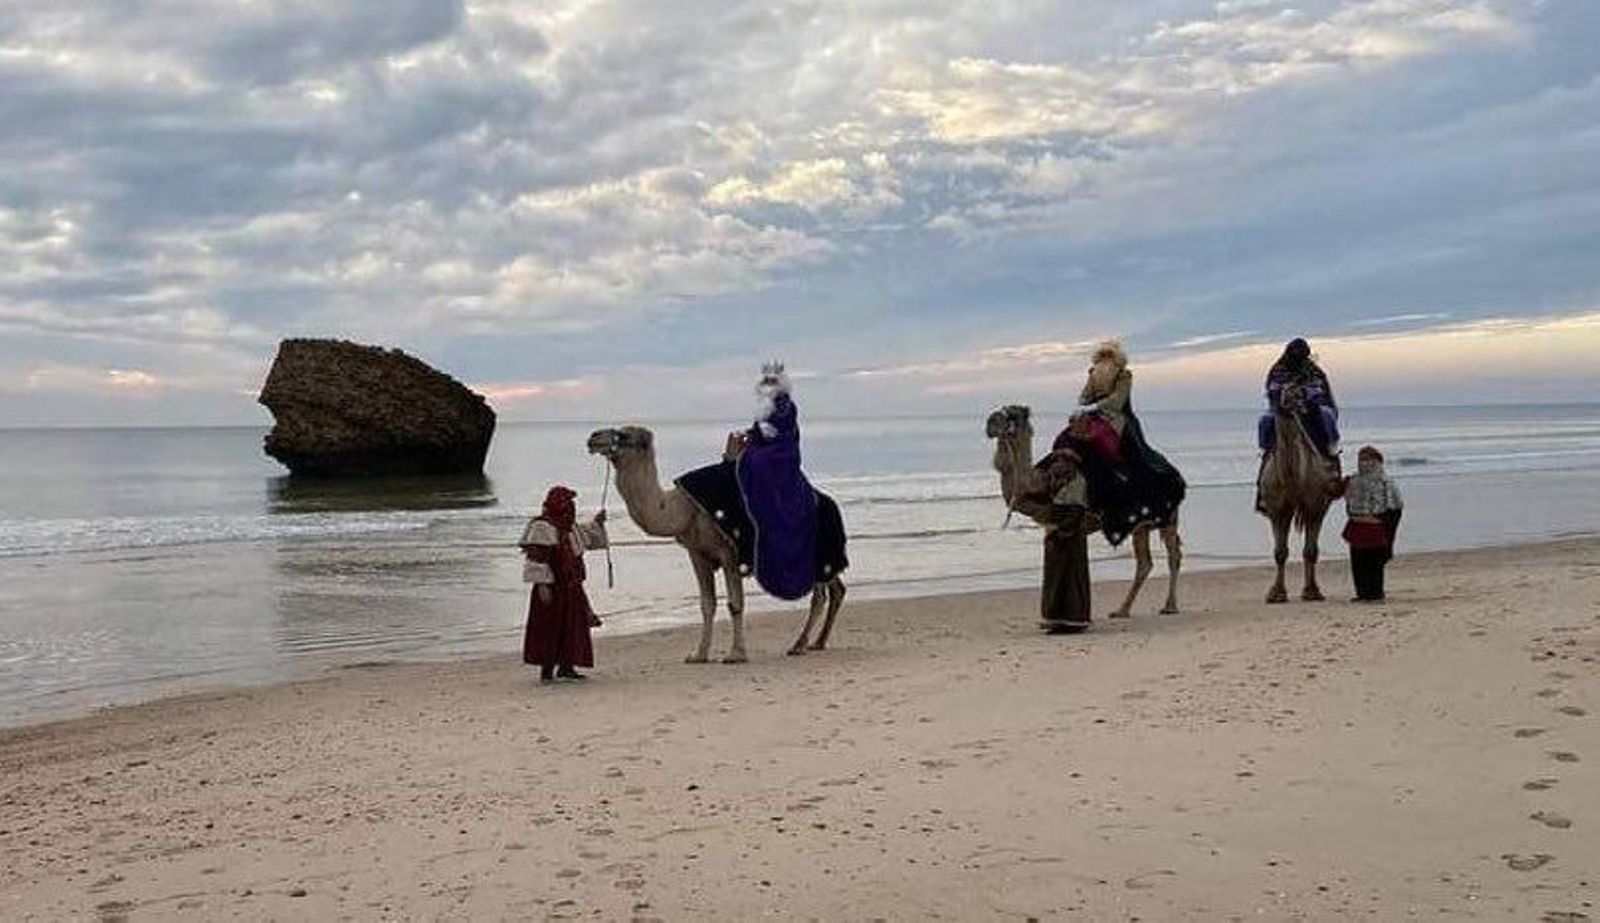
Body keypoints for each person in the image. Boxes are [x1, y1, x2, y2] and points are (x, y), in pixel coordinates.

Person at [1067, 339, 1187, 547]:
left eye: (1109, 356)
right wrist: (1082, 407)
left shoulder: (1124, 375)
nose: (1105, 359)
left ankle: (1142, 495)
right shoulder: (1093, 373)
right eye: (1103, 355)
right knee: (1068, 438)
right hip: (1093, 417)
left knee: (1132, 454)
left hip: (1119, 419)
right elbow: (1084, 395)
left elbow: (1117, 401)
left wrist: (1095, 406)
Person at [732, 362, 819, 601]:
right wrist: (753, 436)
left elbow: (782, 431)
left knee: (758, 463)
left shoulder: (786, 407)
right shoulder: (766, 406)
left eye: (772, 382)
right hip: (765, 448)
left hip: (781, 454)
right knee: (748, 460)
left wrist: (762, 434)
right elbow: (760, 430)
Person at [519, 486, 608, 683]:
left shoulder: (569, 526)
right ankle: (547, 670)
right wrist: (541, 585)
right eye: (567, 504)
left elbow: (586, 539)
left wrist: (597, 523)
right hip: (552, 587)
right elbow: (536, 558)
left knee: (573, 625)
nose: (570, 508)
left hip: (571, 585)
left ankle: (567, 667)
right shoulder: (542, 527)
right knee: (549, 627)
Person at [1014, 438, 1093, 633]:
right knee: (1054, 578)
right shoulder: (1056, 481)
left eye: (1062, 461)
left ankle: (1074, 621)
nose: (1058, 464)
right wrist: (1023, 497)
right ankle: (1055, 618)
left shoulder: (1077, 483)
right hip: (1057, 534)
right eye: (1056, 461)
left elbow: (1075, 512)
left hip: (1070, 535)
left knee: (1072, 578)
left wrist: (1060, 530)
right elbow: (1044, 498)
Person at [1260, 338, 1340, 461]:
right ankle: (1266, 450)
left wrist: (1306, 397)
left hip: (1312, 408)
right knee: (1265, 420)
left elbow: (1320, 391)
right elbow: (1272, 390)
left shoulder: (1314, 370)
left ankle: (1332, 445)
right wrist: (1282, 398)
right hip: (1282, 409)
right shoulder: (1277, 370)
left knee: (1327, 415)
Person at [1341, 446, 1403, 602]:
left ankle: (1376, 593)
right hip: (1357, 524)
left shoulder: (1386, 481)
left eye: (1368, 459)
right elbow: (1346, 500)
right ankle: (1362, 594)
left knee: (1374, 563)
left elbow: (1395, 507)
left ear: (1377, 461)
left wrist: (1387, 530)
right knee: (1357, 562)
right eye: (1361, 459)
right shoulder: (1353, 480)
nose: (1364, 463)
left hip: (1376, 526)